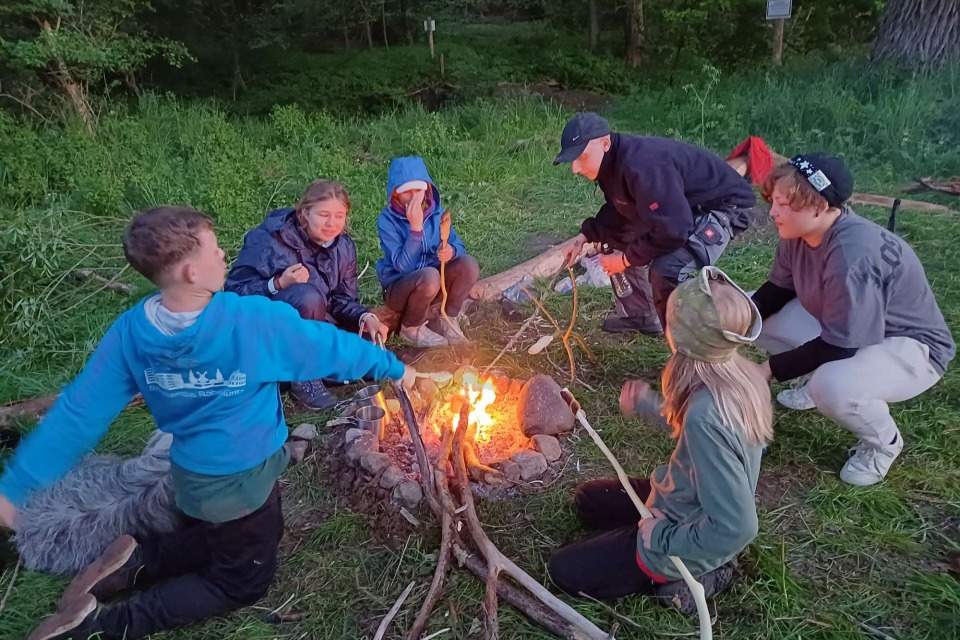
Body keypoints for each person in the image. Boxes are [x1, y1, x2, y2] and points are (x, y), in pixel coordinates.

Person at [0, 206, 416, 640]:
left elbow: (78, 414)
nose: (223, 255)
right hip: (245, 487)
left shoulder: (133, 332)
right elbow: (329, 346)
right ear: (190, 272)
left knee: (224, 538)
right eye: (215, 250)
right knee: (240, 579)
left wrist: (16, 488)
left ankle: (137, 562)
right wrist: (393, 367)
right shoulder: (251, 321)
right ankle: (101, 626)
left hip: (192, 477)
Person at [549, 267, 771, 612]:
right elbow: (696, 431)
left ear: (680, 337)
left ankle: (710, 570)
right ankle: (662, 544)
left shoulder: (705, 415)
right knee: (589, 501)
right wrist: (649, 404)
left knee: (563, 571)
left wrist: (661, 536)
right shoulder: (741, 375)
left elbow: (739, 526)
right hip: (680, 499)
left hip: (690, 531)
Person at [752, 153, 955, 486]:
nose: (774, 212)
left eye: (786, 204)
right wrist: (738, 316)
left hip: (911, 346)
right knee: (751, 319)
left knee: (831, 385)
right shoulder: (799, 235)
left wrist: (766, 371)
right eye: (774, 201)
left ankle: (883, 445)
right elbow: (777, 290)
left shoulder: (851, 256)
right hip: (854, 326)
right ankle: (812, 378)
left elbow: (839, 344)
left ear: (822, 206)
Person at [554, 112, 756, 334]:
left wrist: (625, 259)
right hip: (681, 207)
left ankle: (688, 350)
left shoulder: (642, 166)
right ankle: (640, 315)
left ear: (605, 143)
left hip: (725, 206)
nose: (575, 168)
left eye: (581, 157)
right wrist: (585, 236)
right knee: (613, 239)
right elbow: (620, 209)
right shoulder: (610, 165)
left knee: (668, 270)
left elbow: (675, 229)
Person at [226, 179, 388, 409]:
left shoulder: (344, 246)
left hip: (316, 327)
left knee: (369, 352)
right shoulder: (271, 240)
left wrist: (365, 317)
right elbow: (234, 294)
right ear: (305, 213)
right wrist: (278, 283)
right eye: (323, 215)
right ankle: (305, 378)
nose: (331, 223)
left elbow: (343, 300)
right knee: (307, 297)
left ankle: (294, 372)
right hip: (270, 332)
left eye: (339, 216)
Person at [376, 156, 480, 348]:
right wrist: (415, 230)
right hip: (401, 289)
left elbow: (459, 246)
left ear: (427, 188)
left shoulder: (436, 213)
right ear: (395, 195)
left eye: (418, 190)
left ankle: (447, 317)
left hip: (435, 284)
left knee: (469, 265)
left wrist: (451, 251)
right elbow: (402, 266)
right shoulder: (387, 221)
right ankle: (411, 328)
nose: (414, 197)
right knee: (430, 276)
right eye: (406, 192)